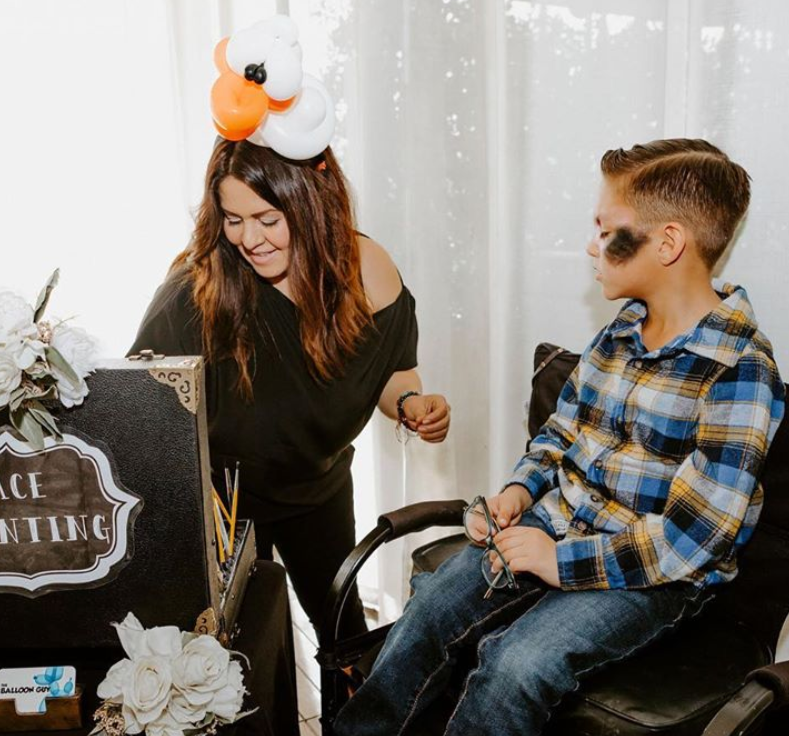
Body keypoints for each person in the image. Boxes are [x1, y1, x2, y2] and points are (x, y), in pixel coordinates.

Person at [334, 138, 786, 735]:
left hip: (653, 572)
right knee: (431, 609)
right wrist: (518, 495)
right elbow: (558, 435)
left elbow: (688, 542)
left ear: (669, 243)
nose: (591, 246)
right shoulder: (619, 332)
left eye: (607, 230)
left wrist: (557, 560)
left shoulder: (738, 369)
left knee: (518, 665)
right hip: (558, 523)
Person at [129, 16, 450, 638]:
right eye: (232, 219)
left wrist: (412, 401)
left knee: (343, 635)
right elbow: (137, 411)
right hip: (223, 506)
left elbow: (387, 368)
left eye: (267, 218)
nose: (249, 239)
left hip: (318, 490)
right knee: (244, 646)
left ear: (309, 203)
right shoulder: (194, 291)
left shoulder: (369, 270)